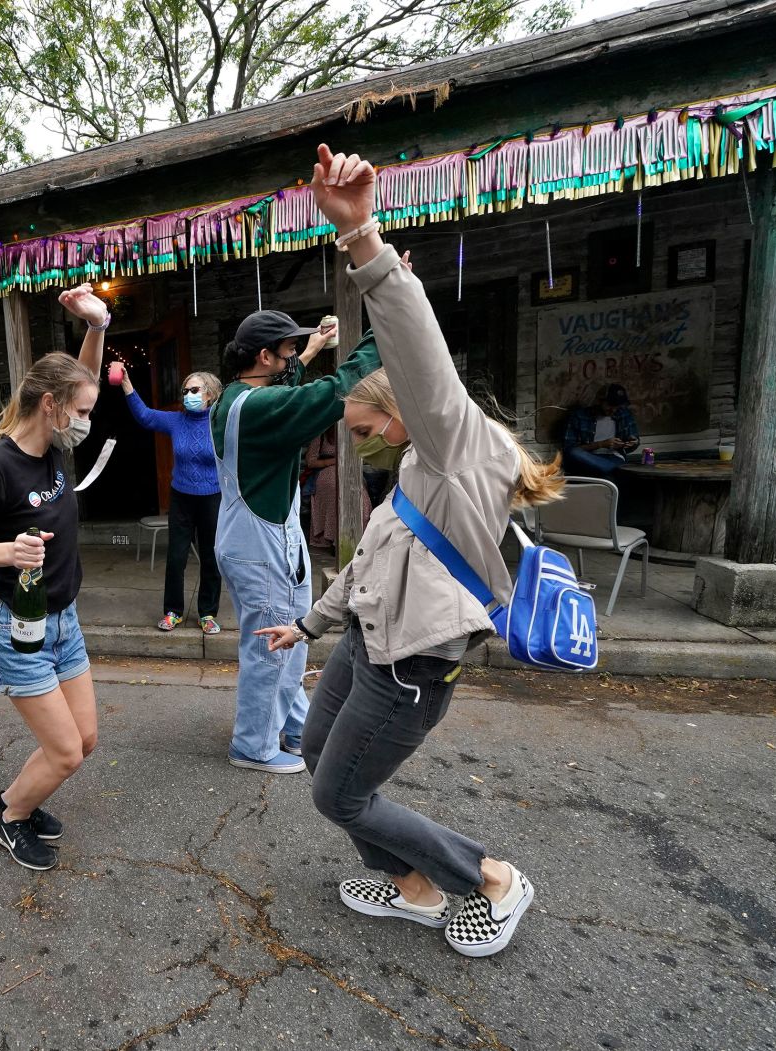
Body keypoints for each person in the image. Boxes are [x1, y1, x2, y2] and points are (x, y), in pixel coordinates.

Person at [257, 144, 566, 958]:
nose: (357, 446)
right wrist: (309, 624)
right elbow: (368, 565)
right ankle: (414, 886)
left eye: (362, 432)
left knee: (340, 795)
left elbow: (419, 353)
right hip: (366, 647)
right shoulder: (419, 472)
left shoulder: (456, 445)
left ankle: (488, 876)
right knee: (323, 758)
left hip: (414, 669)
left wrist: (363, 240)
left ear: (400, 413)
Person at [0, 284, 108, 871]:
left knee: (83, 741)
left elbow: (79, 378)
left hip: (67, 622)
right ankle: (11, 815)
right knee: (65, 752)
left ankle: (23, 801)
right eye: (81, 412)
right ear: (49, 404)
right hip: (21, 629)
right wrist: (8, 552)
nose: (86, 423)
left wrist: (98, 324)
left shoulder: (56, 447)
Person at [213, 309, 378, 775]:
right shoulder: (263, 408)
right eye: (285, 351)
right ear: (265, 357)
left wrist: (308, 349)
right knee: (274, 646)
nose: (292, 360)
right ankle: (253, 745)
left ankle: (289, 726)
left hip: (252, 537)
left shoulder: (239, 396)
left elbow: (288, 389)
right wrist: (385, 317)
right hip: (261, 545)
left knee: (289, 640)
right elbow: (336, 388)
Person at [119, 367, 224, 634]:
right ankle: (173, 611)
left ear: (210, 394)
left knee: (212, 557)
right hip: (182, 498)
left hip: (212, 497)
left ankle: (208, 613)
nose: (188, 395)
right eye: (185, 391)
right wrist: (127, 385)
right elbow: (144, 416)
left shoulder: (220, 422)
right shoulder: (176, 421)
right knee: (176, 557)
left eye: (194, 390)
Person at [305, 428, 373, 553]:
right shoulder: (321, 435)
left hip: (349, 470)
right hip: (326, 472)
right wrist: (333, 461)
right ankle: (335, 540)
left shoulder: (352, 432)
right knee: (334, 489)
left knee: (360, 495)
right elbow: (311, 462)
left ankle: (360, 539)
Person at [561, 383, 639, 476]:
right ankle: (615, 471)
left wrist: (633, 441)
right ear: (599, 401)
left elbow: (634, 442)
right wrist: (601, 444)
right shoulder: (580, 416)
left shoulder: (624, 414)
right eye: (610, 405)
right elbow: (569, 450)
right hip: (588, 457)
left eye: (617, 406)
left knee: (606, 470)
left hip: (614, 456)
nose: (613, 410)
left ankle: (611, 470)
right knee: (574, 453)